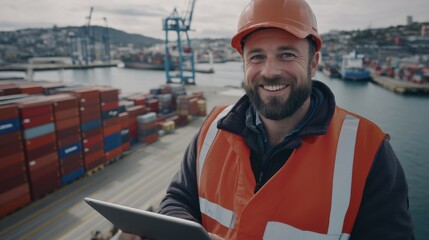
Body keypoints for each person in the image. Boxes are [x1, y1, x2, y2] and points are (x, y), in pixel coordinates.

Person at [121, 0, 415, 239]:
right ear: (244, 63)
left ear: (314, 62)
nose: (270, 71)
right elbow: (177, 199)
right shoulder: (212, 128)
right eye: (257, 57)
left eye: (286, 54)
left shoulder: (367, 152)